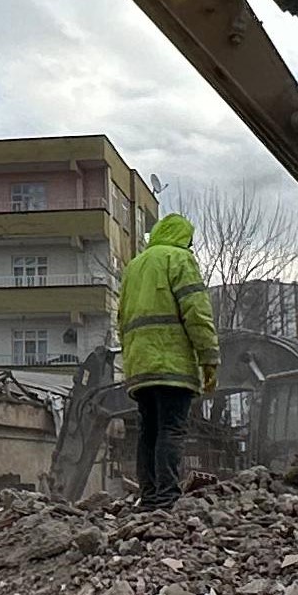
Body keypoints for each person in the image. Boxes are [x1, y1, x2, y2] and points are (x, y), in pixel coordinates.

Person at [113, 210, 218, 508]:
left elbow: (121, 319)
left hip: (140, 366)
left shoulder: (135, 266)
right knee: (171, 429)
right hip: (171, 364)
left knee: (149, 431)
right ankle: (166, 498)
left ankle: (149, 497)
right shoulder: (179, 259)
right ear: (182, 238)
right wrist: (209, 358)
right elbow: (196, 312)